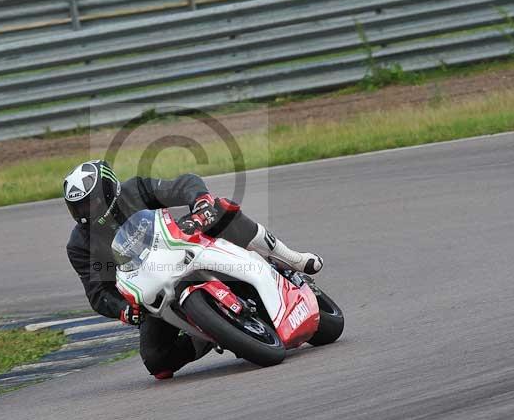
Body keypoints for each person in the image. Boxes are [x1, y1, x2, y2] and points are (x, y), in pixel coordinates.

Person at [64, 160, 323, 379]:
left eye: (90, 202)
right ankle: (207, 335)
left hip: (185, 243)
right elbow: (97, 292)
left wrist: (200, 202)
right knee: (157, 362)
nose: (85, 212)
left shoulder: (137, 189)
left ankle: (291, 257)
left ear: (109, 191)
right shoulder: (79, 245)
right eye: (77, 207)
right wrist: (123, 310)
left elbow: (183, 184)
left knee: (221, 211)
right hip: (151, 285)